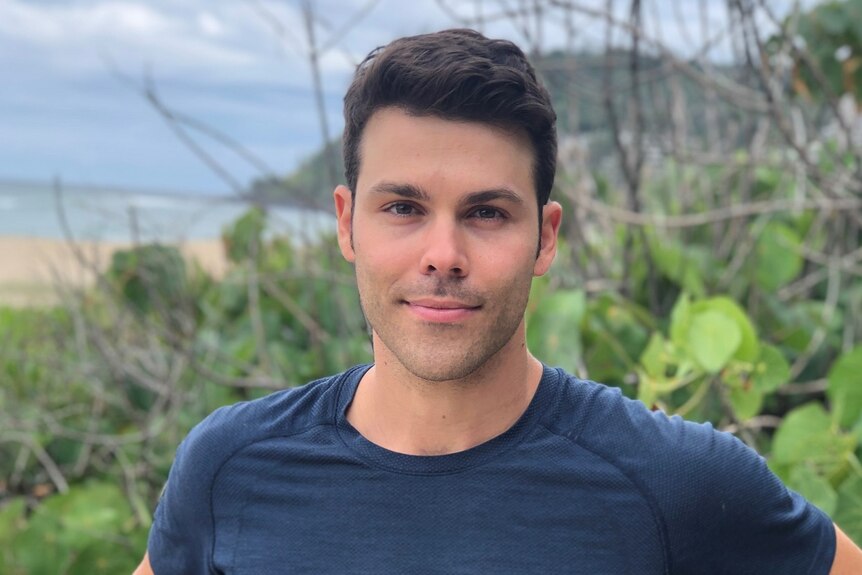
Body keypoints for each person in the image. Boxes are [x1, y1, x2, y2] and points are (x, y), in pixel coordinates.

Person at [135, 28, 862, 574]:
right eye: (402, 208)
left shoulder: (677, 483)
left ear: (545, 238)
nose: (443, 254)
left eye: (486, 212)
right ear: (344, 222)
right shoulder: (230, 468)